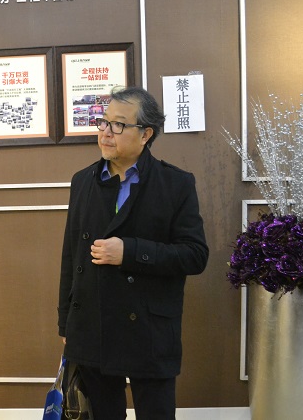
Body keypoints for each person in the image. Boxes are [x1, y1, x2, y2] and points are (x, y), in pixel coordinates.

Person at [58, 86, 209, 420]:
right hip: (92, 324)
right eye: (103, 122)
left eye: (119, 125)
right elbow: (71, 257)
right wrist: (66, 322)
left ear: (146, 134)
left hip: (149, 328)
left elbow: (195, 255)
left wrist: (130, 252)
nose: (106, 132)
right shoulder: (82, 181)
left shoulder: (176, 184)